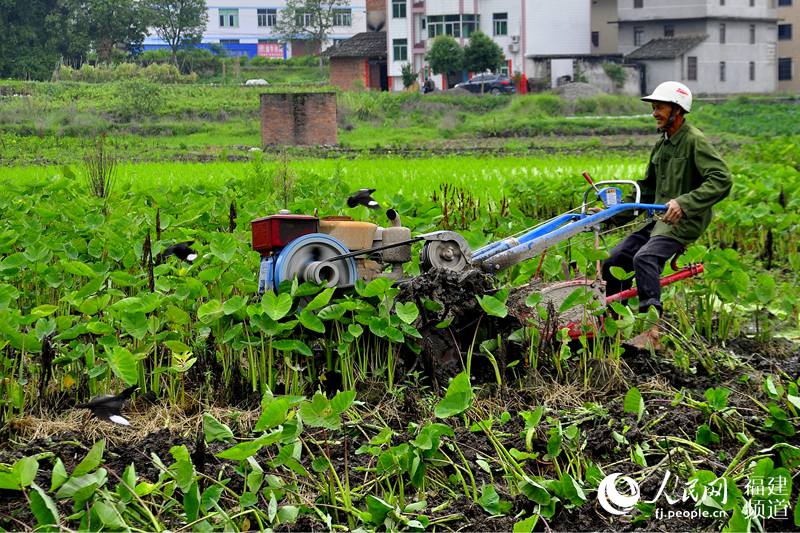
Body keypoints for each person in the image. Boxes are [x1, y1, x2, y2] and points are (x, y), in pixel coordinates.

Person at [601, 81, 732, 349]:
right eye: (654, 107)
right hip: (659, 220)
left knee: (645, 258)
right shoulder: (662, 144)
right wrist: (611, 215)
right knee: (615, 260)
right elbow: (647, 190)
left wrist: (685, 203)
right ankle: (612, 325)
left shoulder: (694, 140)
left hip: (683, 222)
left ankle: (653, 332)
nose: (654, 113)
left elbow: (721, 179)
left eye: (659, 107)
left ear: (677, 109)